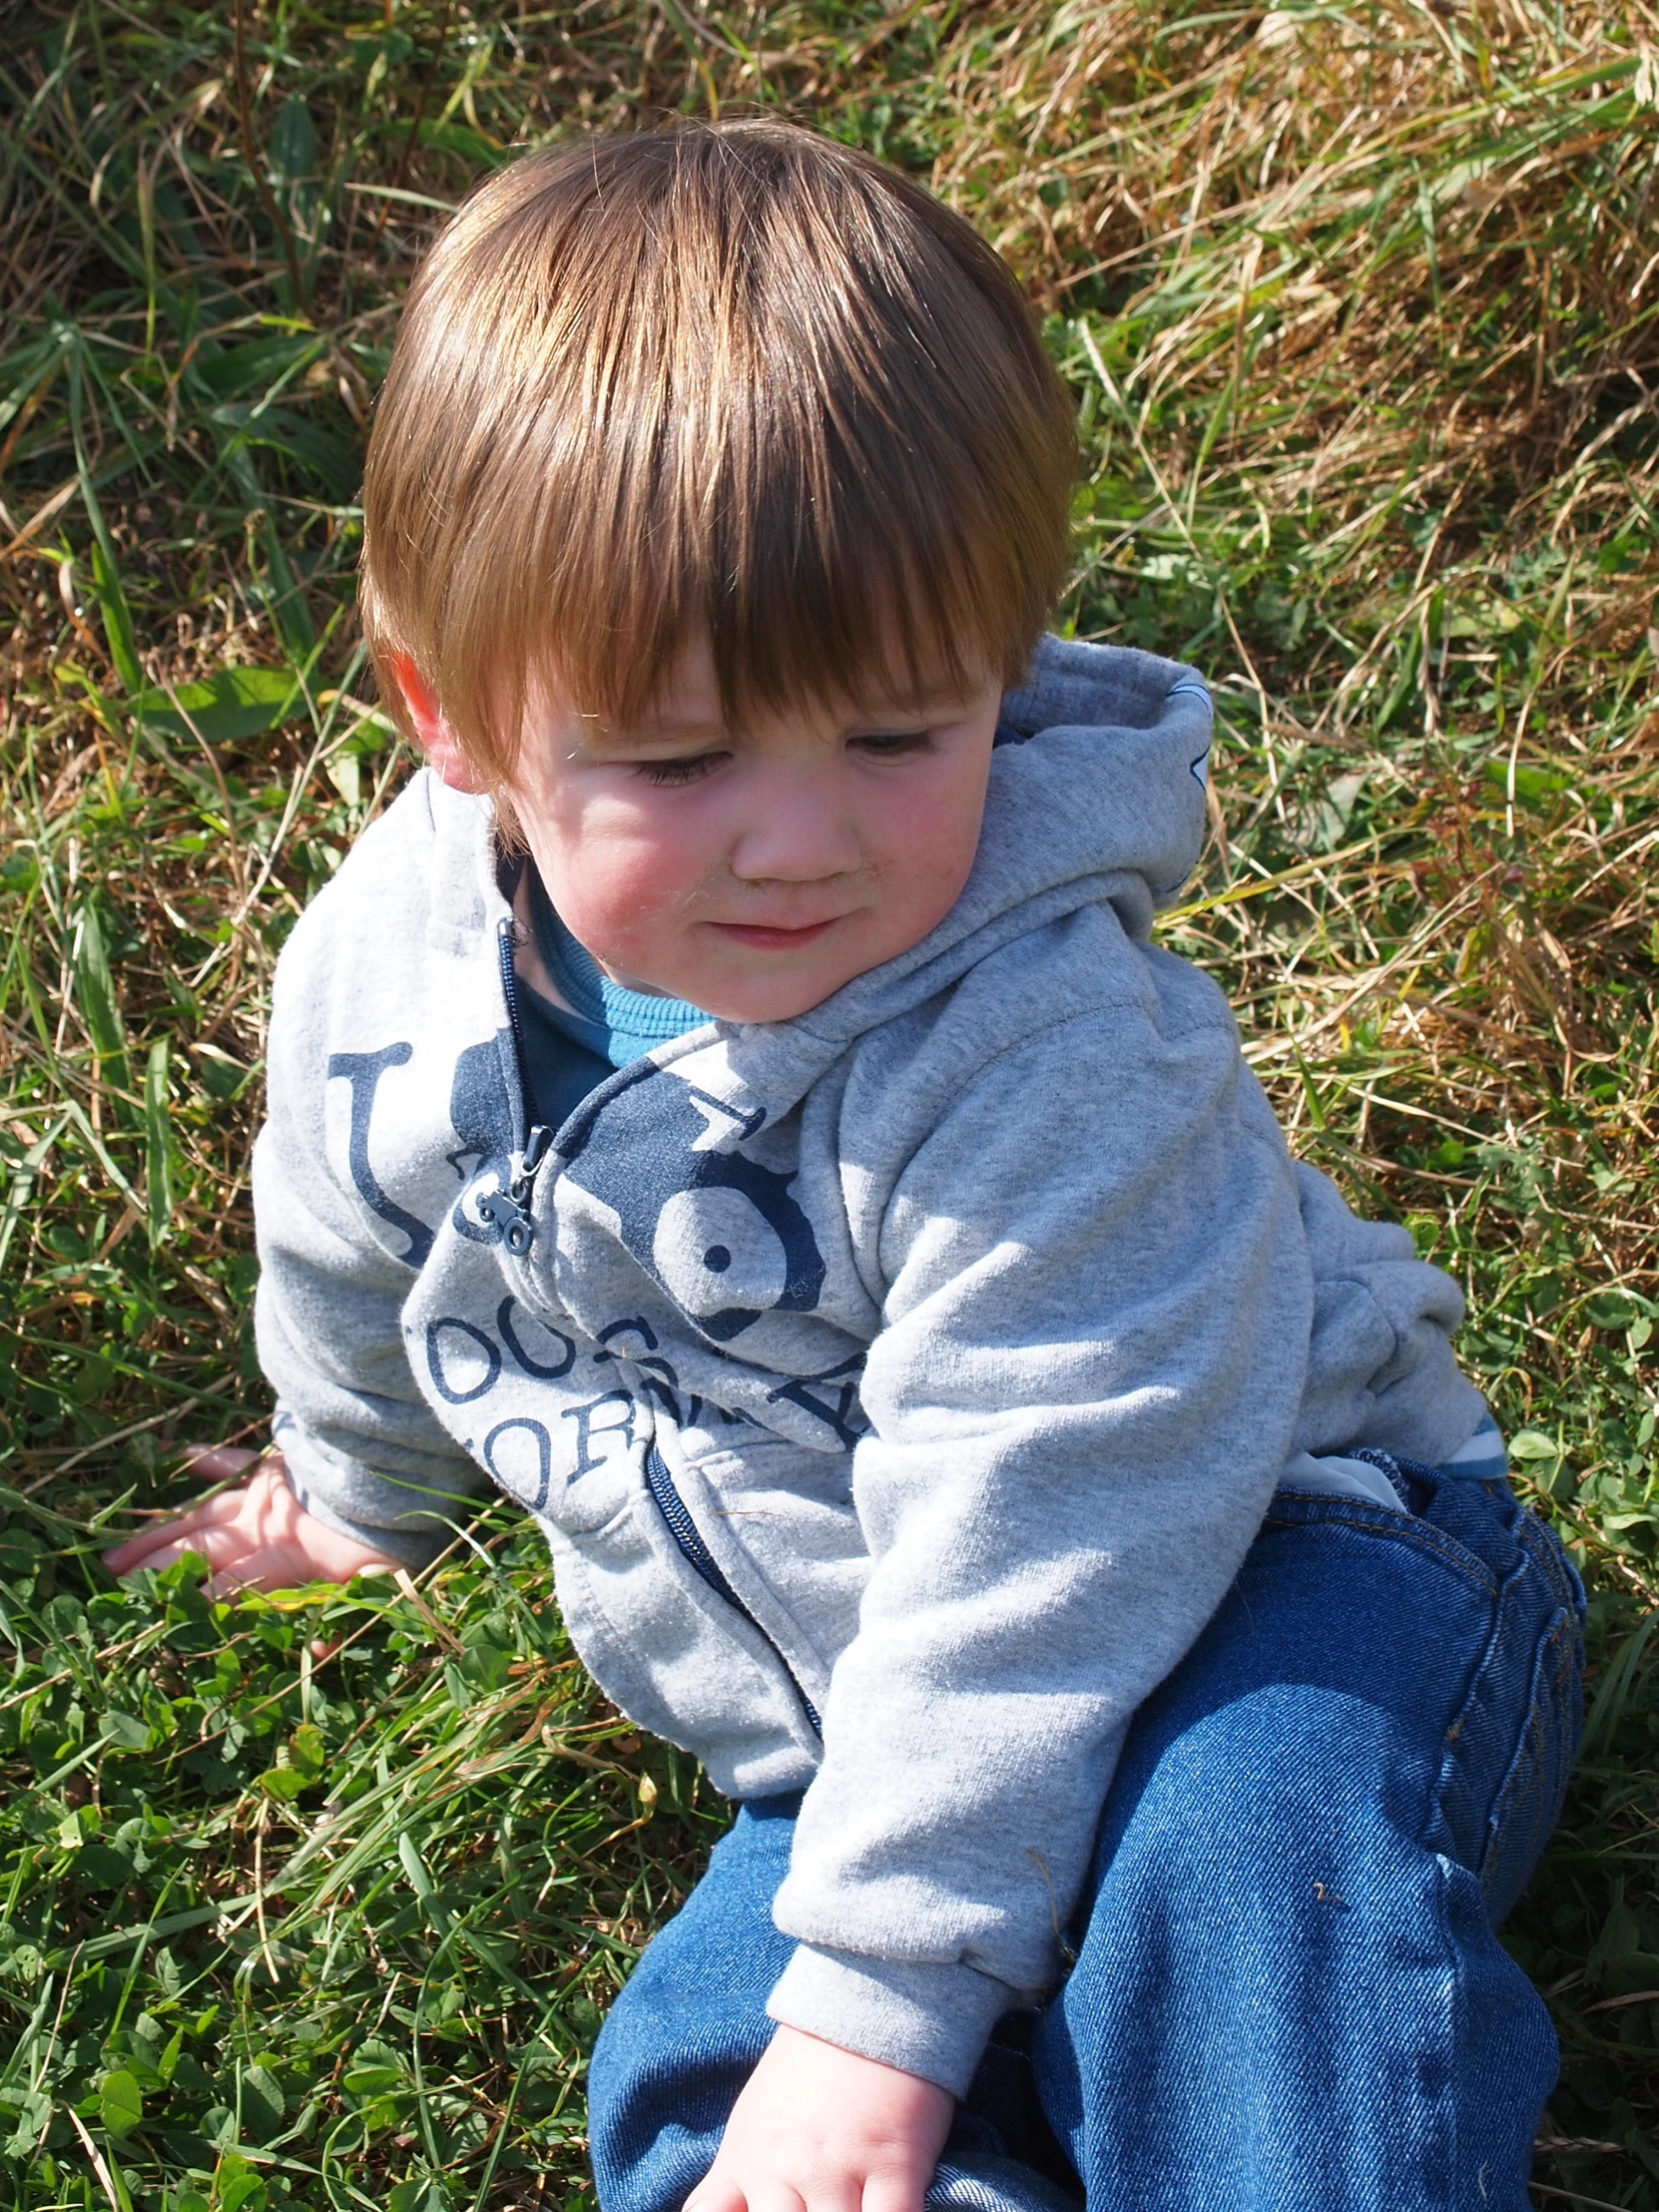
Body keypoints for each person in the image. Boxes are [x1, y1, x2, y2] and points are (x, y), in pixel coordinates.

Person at [105, 121, 1584, 2212]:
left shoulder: (1049, 1048)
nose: (797, 839)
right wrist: (354, 1484)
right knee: (719, 2080)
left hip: (1295, 1568)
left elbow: (1052, 1493)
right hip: (863, 1705)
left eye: (901, 733)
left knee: (1248, 1889)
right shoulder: (392, 963)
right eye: (680, 761)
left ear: (1001, 660)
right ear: (455, 719)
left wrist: (883, 1998)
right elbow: (344, 1216)